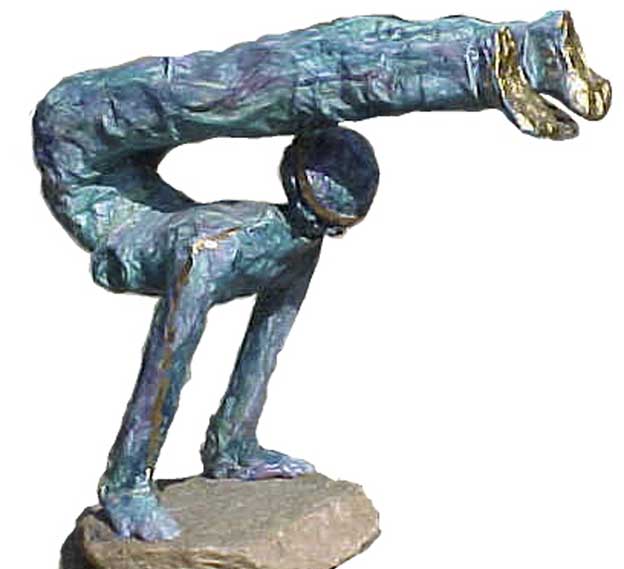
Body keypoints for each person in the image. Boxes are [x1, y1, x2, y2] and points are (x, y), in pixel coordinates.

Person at [32, 11, 610, 540]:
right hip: (77, 137)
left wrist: (233, 443)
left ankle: (513, 52)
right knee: (246, 88)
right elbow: (169, 354)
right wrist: (127, 482)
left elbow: (261, 341)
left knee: (259, 85)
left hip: (104, 157)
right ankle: (488, 58)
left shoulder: (279, 245)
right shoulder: (210, 248)